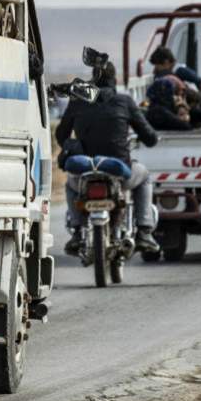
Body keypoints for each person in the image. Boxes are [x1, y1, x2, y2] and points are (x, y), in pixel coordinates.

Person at [56, 61, 161, 255]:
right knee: (145, 177)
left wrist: (73, 145)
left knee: (71, 183)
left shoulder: (78, 100)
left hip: (86, 169)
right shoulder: (124, 101)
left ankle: (78, 232)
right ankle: (145, 232)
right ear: (114, 80)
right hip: (120, 169)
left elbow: (61, 134)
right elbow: (149, 137)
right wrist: (152, 138)